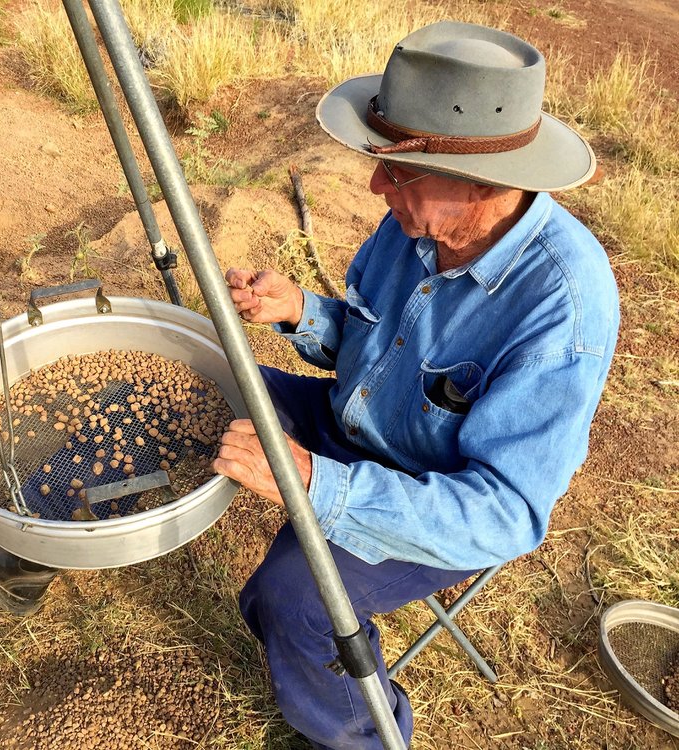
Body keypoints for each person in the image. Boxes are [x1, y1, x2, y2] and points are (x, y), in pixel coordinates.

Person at [210, 20, 619, 750]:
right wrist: (302, 313)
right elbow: (376, 346)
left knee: (290, 600)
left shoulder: (563, 309)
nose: (376, 185)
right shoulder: (417, 220)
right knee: (205, 388)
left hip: (434, 495)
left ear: (483, 183)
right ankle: (33, 543)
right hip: (357, 421)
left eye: (397, 169)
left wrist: (317, 484)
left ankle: (362, 734)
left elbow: (503, 513)